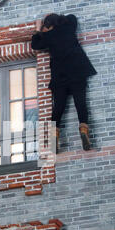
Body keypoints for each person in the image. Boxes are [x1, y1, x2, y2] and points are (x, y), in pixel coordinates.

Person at [31, 13, 97, 151]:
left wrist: (38, 28)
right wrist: (57, 19)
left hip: (59, 76)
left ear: (49, 26)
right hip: (77, 72)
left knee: (58, 107)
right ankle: (84, 131)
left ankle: (54, 137)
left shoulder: (48, 37)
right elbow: (73, 16)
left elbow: (35, 45)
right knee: (81, 103)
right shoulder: (69, 27)